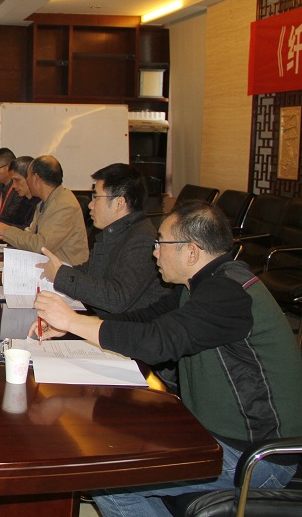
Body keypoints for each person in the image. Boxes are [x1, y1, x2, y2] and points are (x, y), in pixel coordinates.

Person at [33, 200, 302, 517]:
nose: (155, 252)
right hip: (211, 432)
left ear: (191, 252)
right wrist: (72, 330)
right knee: (109, 444)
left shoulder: (229, 294)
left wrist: (73, 320)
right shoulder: (198, 285)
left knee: (110, 479)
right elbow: (143, 321)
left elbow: (158, 342)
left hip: (255, 456)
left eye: (161, 243)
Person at [39, 163, 168, 315]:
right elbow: (89, 272)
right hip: (106, 320)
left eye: (96, 197)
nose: (90, 205)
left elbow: (116, 298)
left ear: (119, 203)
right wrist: (53, 270)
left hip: (129, 326)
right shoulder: (115, 232)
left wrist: (61, 275)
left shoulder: (143, 240)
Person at [0, 155, 89, 265]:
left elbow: (41, 246)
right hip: (48, 266)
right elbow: (30, 234)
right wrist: (5, 235)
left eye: (27, 176)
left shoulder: (64, 205)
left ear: (36, 178)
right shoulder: (45, 202)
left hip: (67, 270)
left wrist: (7, 231)